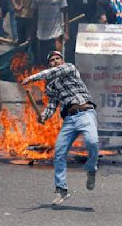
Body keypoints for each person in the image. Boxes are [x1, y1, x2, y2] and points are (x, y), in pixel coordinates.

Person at [21, 51, 98, 205]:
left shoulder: (69, 68)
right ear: (49, 63)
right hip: (69, 119)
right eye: (52, 60)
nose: (55, 61)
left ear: (63, 61)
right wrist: (44, 117)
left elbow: (55, 72)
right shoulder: (51, 87)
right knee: (59, 153)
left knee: (92, 142)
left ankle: (91, 169)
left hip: (85, 113)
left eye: (58, 59)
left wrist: (31, 78)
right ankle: (61, 190)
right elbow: (52, 105)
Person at [31, 0, 69, 65]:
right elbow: (35, 15)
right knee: (44, 62)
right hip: (41, 35)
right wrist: (32, 32)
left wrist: (66, 32)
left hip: (56, 34)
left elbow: (65, 13)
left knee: (57, 61)